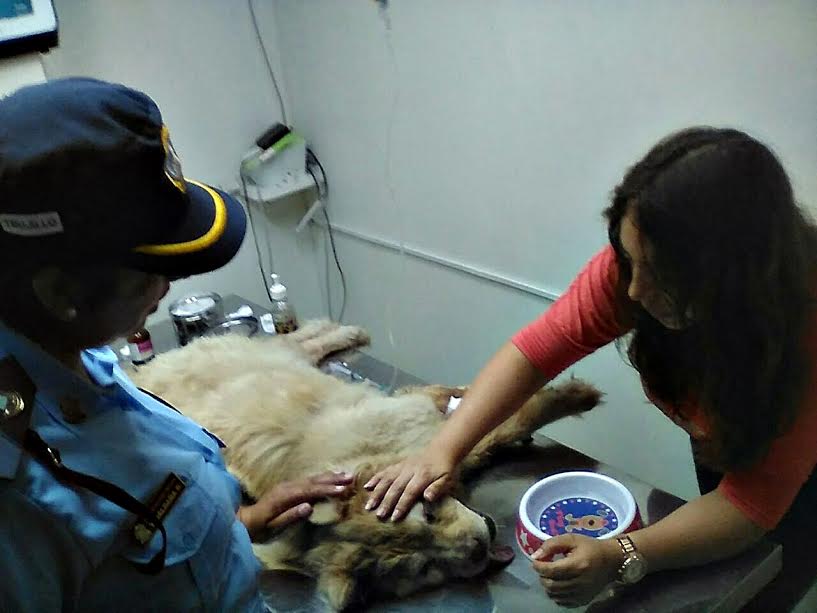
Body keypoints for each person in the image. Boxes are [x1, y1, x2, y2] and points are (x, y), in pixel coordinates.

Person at [365, 127, 817, 609]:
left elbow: (749, 505)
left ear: (732, 281)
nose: (634, 293)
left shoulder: (803, 338)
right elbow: (537, 350)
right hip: (735, 442)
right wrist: (443, 449)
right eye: (628, 260)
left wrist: (622, 554)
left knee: (772, 579)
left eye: (659, 277)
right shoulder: (642, 264)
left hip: (802, 473)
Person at [0, 78, 351, 612]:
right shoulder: (18, 500)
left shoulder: (71, 358)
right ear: (61, 291)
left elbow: (131, 548)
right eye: (149, 274)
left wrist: (243, 522)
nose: (167, 290)